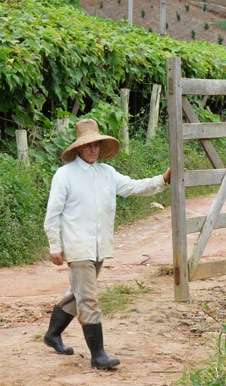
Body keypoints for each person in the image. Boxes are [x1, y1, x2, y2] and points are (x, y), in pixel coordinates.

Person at [42, 118, 171, 370]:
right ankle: (98, 355)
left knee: (78, 293)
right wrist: (54, 245)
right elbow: (53, 213)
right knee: (88, 298)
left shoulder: (107, 173)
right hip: (78, 246)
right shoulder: (65, 175)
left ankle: (52, 335)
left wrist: (163, 180)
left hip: (100, 246)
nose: (93, 150)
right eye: (88, 145)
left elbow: (133, 187)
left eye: (96, 145)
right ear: (79, 148)